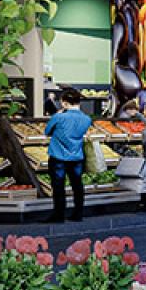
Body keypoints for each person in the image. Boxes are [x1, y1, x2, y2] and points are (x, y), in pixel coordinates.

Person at [45, 87, 92, 222]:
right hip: (77, 156)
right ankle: (78, 214)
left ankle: (59, 215)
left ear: (65, 103)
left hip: (58, 156)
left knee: (59, 186)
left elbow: (47, 131)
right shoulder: (86, 119)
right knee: (77, 185)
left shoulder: (59, 117)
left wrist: (59, 114)